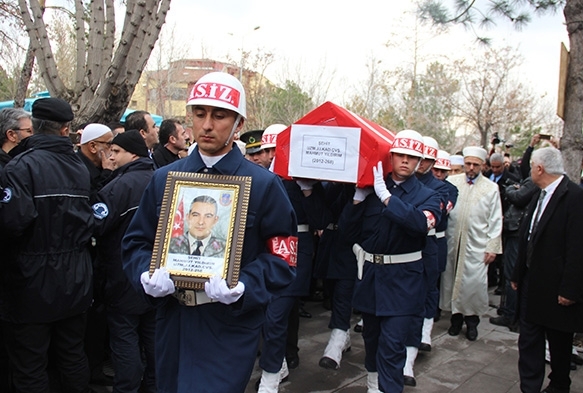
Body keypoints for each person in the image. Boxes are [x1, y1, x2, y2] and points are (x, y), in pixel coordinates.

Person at [121, 72, 298, 393]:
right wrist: (145, 276)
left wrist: (245, 284)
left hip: (229, 325)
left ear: (238, 123)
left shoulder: (264, 185)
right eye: (199, 114)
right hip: (173, 320)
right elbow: (135, 243)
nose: (206, 125)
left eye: (219, 115)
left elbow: (283, 258)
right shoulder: (164, 179)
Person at [0, 97, 94, 393]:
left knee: (30, 365)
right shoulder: (79, 167)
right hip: (75, 280)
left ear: (36, 128)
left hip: (31, 282)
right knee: (71, 355)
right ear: (66, 129)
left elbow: (13, 223)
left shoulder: (20, 167)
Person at [339, 129, 441, 393]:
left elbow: (421, 223)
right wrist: (357, 201)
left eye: (411, 157)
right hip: (371, 277)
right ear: (391, 156)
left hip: (404, 281)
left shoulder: (429, 195)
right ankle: (375, 386)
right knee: (371, 340)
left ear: (419, 162)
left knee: (393, 345)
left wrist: (387, 197)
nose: (405, 161)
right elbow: (347, 233)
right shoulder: (372, 187)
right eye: (399, 155)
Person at [511, 147, 583, 393]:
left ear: (539, 169)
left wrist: (570, 289)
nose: (529, 170)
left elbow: (578, 248)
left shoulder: (574, 197)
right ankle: (529, 387)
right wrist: (518, 274)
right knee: (529, 339)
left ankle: (559, 384)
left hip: (558, 287)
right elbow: (527, 237)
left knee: (559, 342)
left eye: (531, 166)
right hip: (533, 282)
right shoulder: (537, 194)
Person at [92, 130, 156, 393]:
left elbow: (96, 225)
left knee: (125, 339)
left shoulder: (119, 187)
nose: (111, 156)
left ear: (133, 153)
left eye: (116, 151)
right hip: (156, 277)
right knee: (153, 340)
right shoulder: (160, 179)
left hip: (123, 276)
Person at [440, 146, 503, 341]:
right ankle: (455, 320)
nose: (471, 168)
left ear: (483, 166)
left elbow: (495, 219)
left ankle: (472, 322)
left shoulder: (491, 188)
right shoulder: (452, 182)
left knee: (473, 284)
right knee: (451, 280)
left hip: (476, 245)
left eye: (475, 165)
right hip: (453, 242)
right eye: (468, 163)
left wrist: (492, 247)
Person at [403, 136, 449, 387]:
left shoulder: (441, 187)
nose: (421, 164)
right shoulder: (396, 182)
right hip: (396, 251)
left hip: (426, 248)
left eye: (427, 160)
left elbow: (433, 217)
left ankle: (409, 359)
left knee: (420, 301)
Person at [490, 175, 536, 331]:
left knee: (512, 274)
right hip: (516, 232)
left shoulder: (532, 182)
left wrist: (510, 189)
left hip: (517, 233)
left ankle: (511, 315)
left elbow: (519, 197)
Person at [430, 150, 458, 323]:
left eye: (442, 171)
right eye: (436, 169)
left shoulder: (451, 190)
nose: (438, 174)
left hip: (437, 238)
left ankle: (431, 314)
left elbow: (443, 209)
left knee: (434, 280)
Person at [77, 123, 115, 202]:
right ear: (93, 146)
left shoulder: (102, 166)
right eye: (109, 144)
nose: (112, 149)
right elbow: (96, 202)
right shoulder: (77, 169)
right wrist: (107, 173)